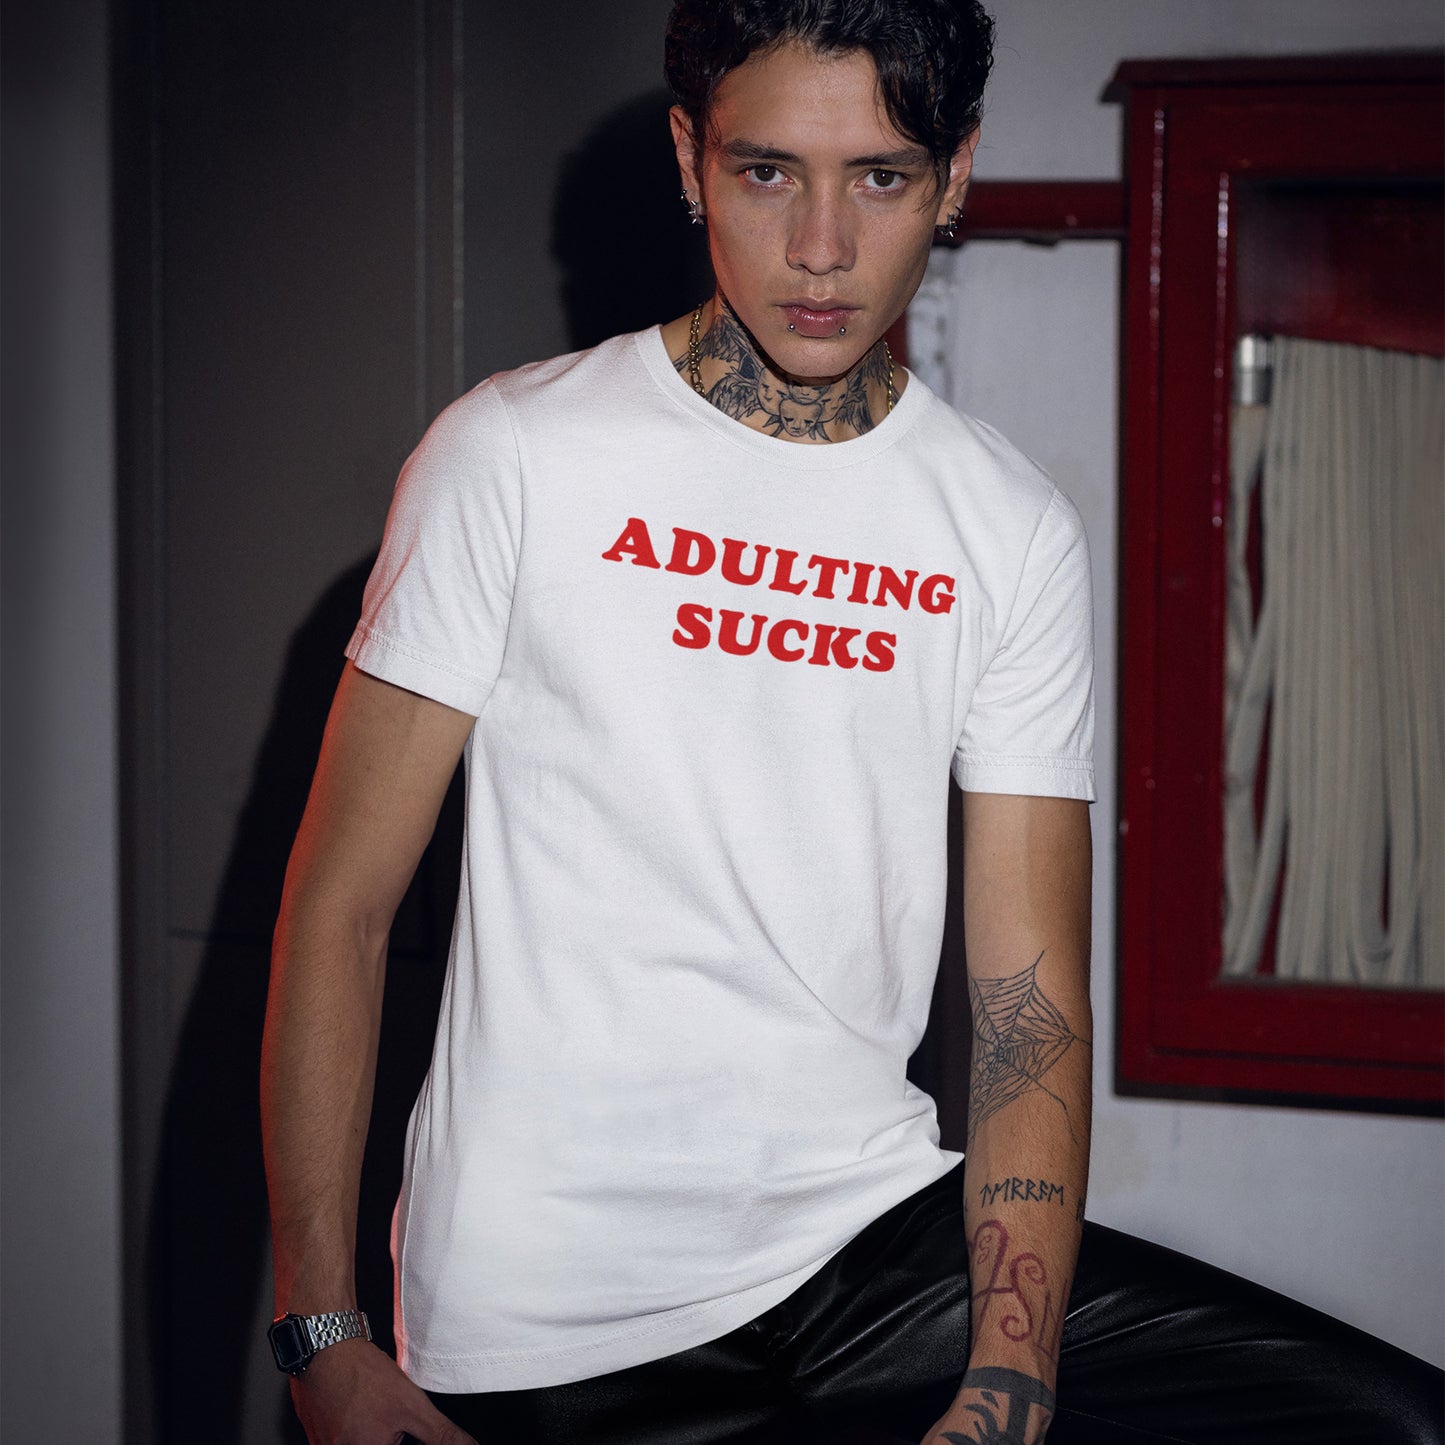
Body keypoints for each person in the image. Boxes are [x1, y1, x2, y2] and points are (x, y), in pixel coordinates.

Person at [259, 3, 1445, 1442]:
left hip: (864, 1241)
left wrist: (1007, 1380)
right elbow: (340, 910)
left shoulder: (1003, 525)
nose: (821, 244)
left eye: (879, 176)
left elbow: (1024, 1000)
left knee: (1383, 1421)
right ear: (692, 161)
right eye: (768, 172)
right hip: (558, 1304)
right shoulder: (511, 455)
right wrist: (322, 1326)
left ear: (953, 178)